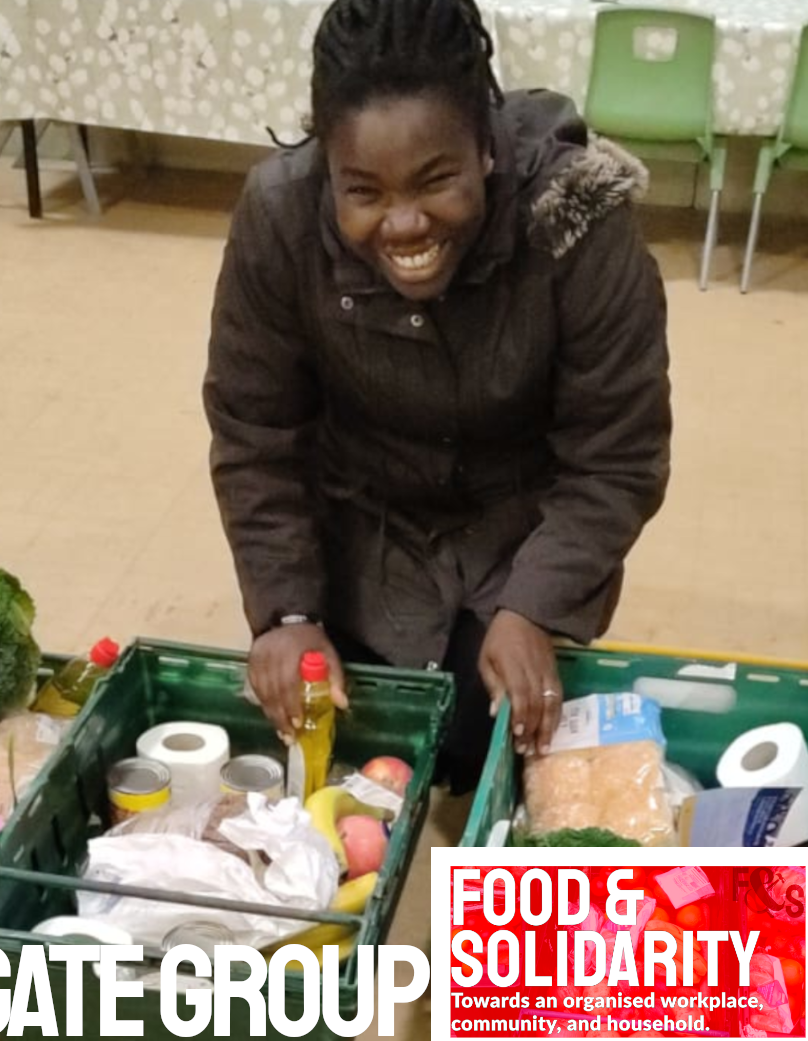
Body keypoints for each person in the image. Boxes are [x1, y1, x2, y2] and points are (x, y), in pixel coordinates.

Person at [202, 0, 671, 794]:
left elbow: (616, 457)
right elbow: (256, 432)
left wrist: (535, 607)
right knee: (357, 740)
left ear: (486, 147)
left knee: (494, 739)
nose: (405, 224)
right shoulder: (280, 218)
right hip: (357, 529)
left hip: (518, 533)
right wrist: (286, 613)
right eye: (364, 191)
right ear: (327, 167)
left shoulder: (575, 221)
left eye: (437, 180)